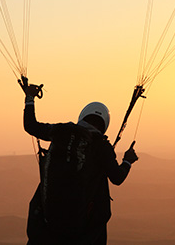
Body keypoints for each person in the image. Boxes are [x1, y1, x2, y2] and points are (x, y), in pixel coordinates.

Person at [19, 77, 139, 245]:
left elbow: (30, 126)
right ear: (104, 124)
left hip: (46, 221)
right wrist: (128, 161)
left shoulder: (60, 131)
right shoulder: (102, 146)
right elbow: (117, 178)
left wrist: (30, 97)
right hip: (81, 230)